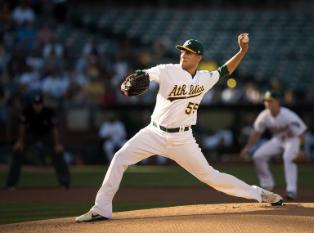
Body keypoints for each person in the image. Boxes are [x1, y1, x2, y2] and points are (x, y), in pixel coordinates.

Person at [76, 33, 283, 223]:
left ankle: (259, 194)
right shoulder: (167, 70)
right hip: (154, 133)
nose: (183, 54)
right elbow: (147, 74)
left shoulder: (205, 78)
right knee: (120, 158)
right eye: (182, 50)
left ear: (199, 57)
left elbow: (225, 70)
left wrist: (242, 51)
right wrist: (140, 76)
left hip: (183, 139)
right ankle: (101, 208)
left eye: (189, 52)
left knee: (211, 176)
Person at [240, 91, 307, 200]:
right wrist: (248, 147)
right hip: (278, 140)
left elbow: (301, 133)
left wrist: (301, 149)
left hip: (292, 140)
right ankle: (267, 184)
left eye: (270, 101)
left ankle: (291, 190)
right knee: (258, 156)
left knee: (288, 157)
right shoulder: (264, 115)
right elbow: (256, 133)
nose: (267, 103)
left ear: (277, 102)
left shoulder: (287, 115)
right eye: (266, 101)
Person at [5, 93, 70, 190]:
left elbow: (54, 129)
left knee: (58, 153)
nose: (37, 106)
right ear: (32, 104)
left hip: (46, 135)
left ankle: (64, 183)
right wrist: (20, 142)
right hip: (30, 135)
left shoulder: (48, 112)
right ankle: (11, 184)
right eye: (36, 104)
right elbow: (22, 127)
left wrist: (57, 144)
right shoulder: (27, 111)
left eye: (39, 104)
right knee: (17, 152)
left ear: (42, 104)